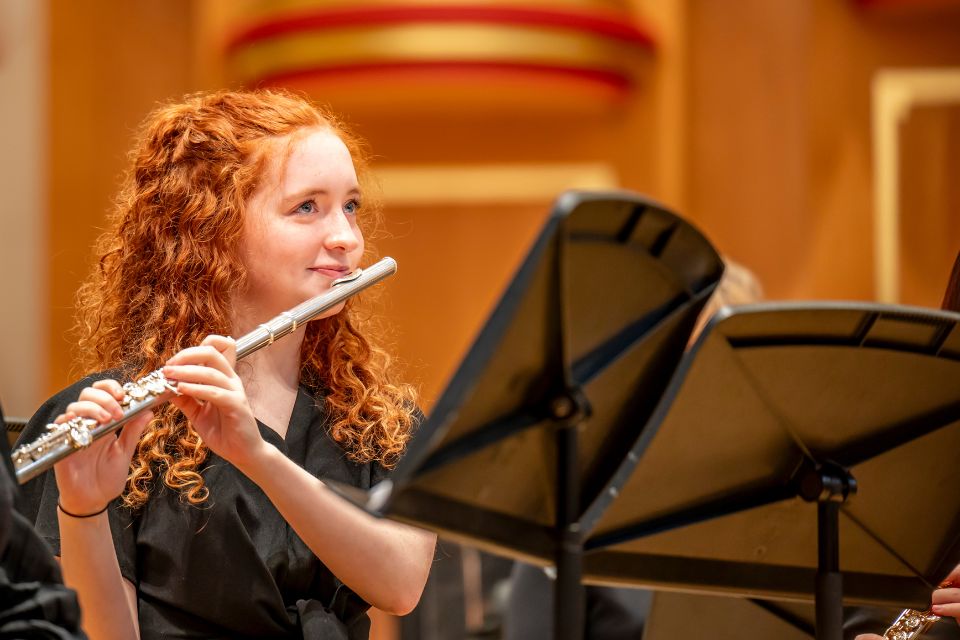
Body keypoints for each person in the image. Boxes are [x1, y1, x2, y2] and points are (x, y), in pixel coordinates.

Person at [17, 89, 436, 640]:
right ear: (213, 227)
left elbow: (402, 585)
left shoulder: (376, 419)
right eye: (307, 207)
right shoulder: (113, 420)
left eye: (350, 206)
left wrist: (257, 456)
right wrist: (84, 510)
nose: (346, 238)